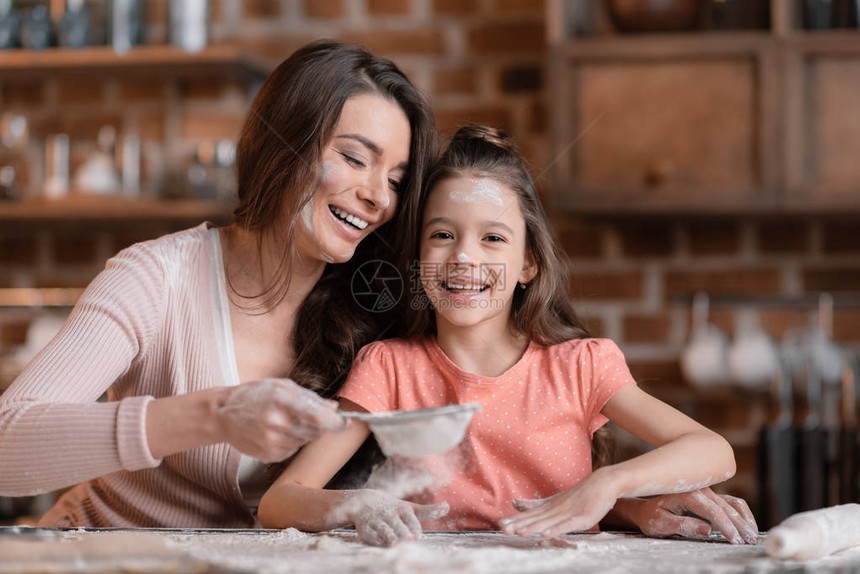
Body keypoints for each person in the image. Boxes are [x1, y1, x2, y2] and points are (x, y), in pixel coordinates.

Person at [0, 40, 437, 528]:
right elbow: (6, 444)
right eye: (355, 159)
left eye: (397, 181)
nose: (378, 197)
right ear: (285, 142)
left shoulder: (373, 309)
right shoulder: (155, 278)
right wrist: (217, 414)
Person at [256, 125, 760, 547]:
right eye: (442, 234)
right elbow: (280, 501)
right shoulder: (389, 368)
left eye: (493, 238)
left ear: (528, 263)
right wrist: (356, 503)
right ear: (416, 256)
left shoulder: (582, 365)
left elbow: (713, 450)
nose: (464, 258)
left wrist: (612, 488)